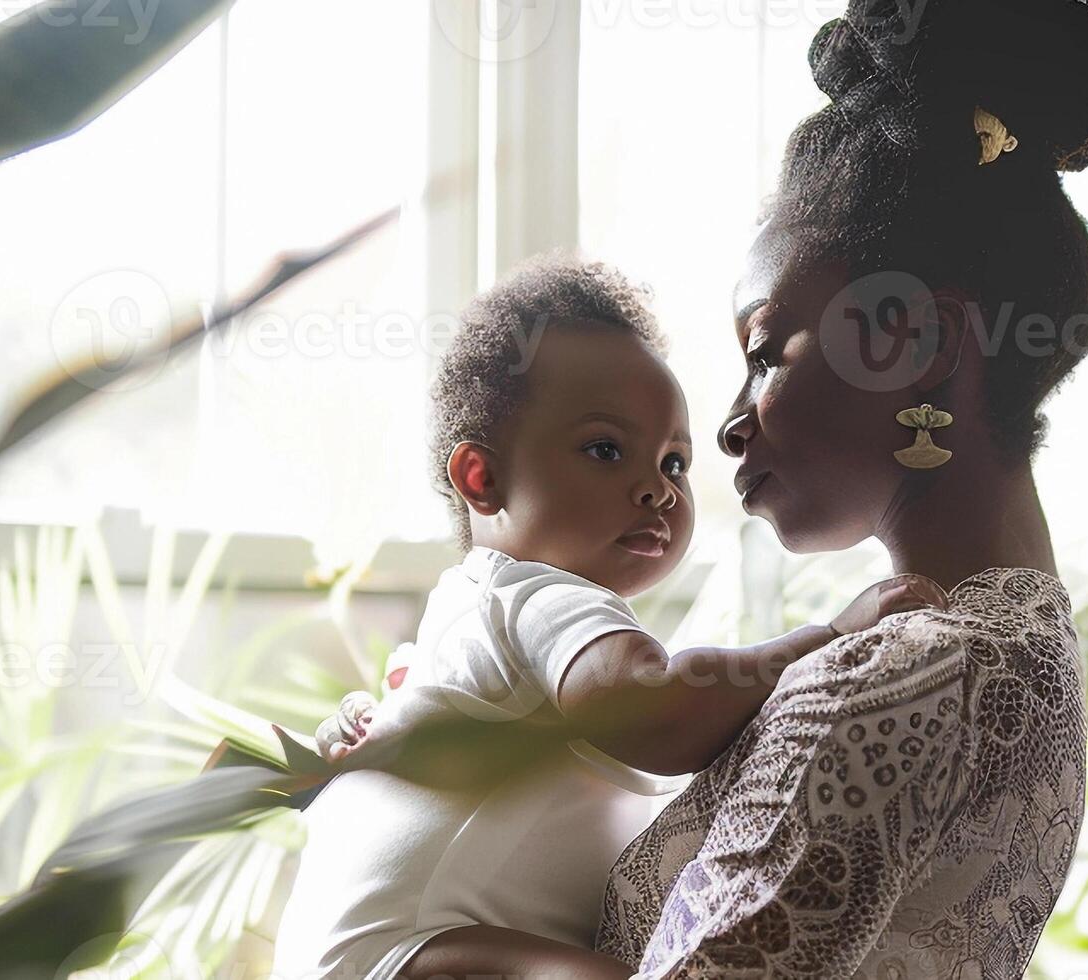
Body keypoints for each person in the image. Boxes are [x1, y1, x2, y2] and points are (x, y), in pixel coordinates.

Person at [364, 0, 1088, 974]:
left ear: (911, 340)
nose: (727, 424)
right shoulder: (1030, 642)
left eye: (765, 350)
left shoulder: (897, 669)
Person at [274, 259, 946, 980]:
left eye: (675, 463)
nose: (656, 489)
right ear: (484, 479)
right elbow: (647, 709)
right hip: (415, 948)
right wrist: (831, 637)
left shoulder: (484, 605)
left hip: (360, 943)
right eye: (606, 450)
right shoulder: (541, 598)